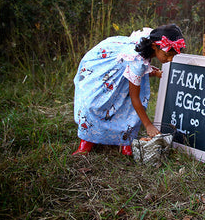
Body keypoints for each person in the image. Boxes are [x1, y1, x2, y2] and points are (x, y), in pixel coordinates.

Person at [72, 24, 185, 156]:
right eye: (167, 55)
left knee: (126, 109)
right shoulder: (137, 61)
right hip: (106, 70)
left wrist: (152, 72)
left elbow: (139, 65)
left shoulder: (148, 46)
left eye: (173, 55)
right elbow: (135, 98)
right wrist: (148, 125)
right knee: (95, 104)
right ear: (154, 46)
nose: (170, 59)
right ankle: (86, 141)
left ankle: (125, 141)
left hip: (123, 72)